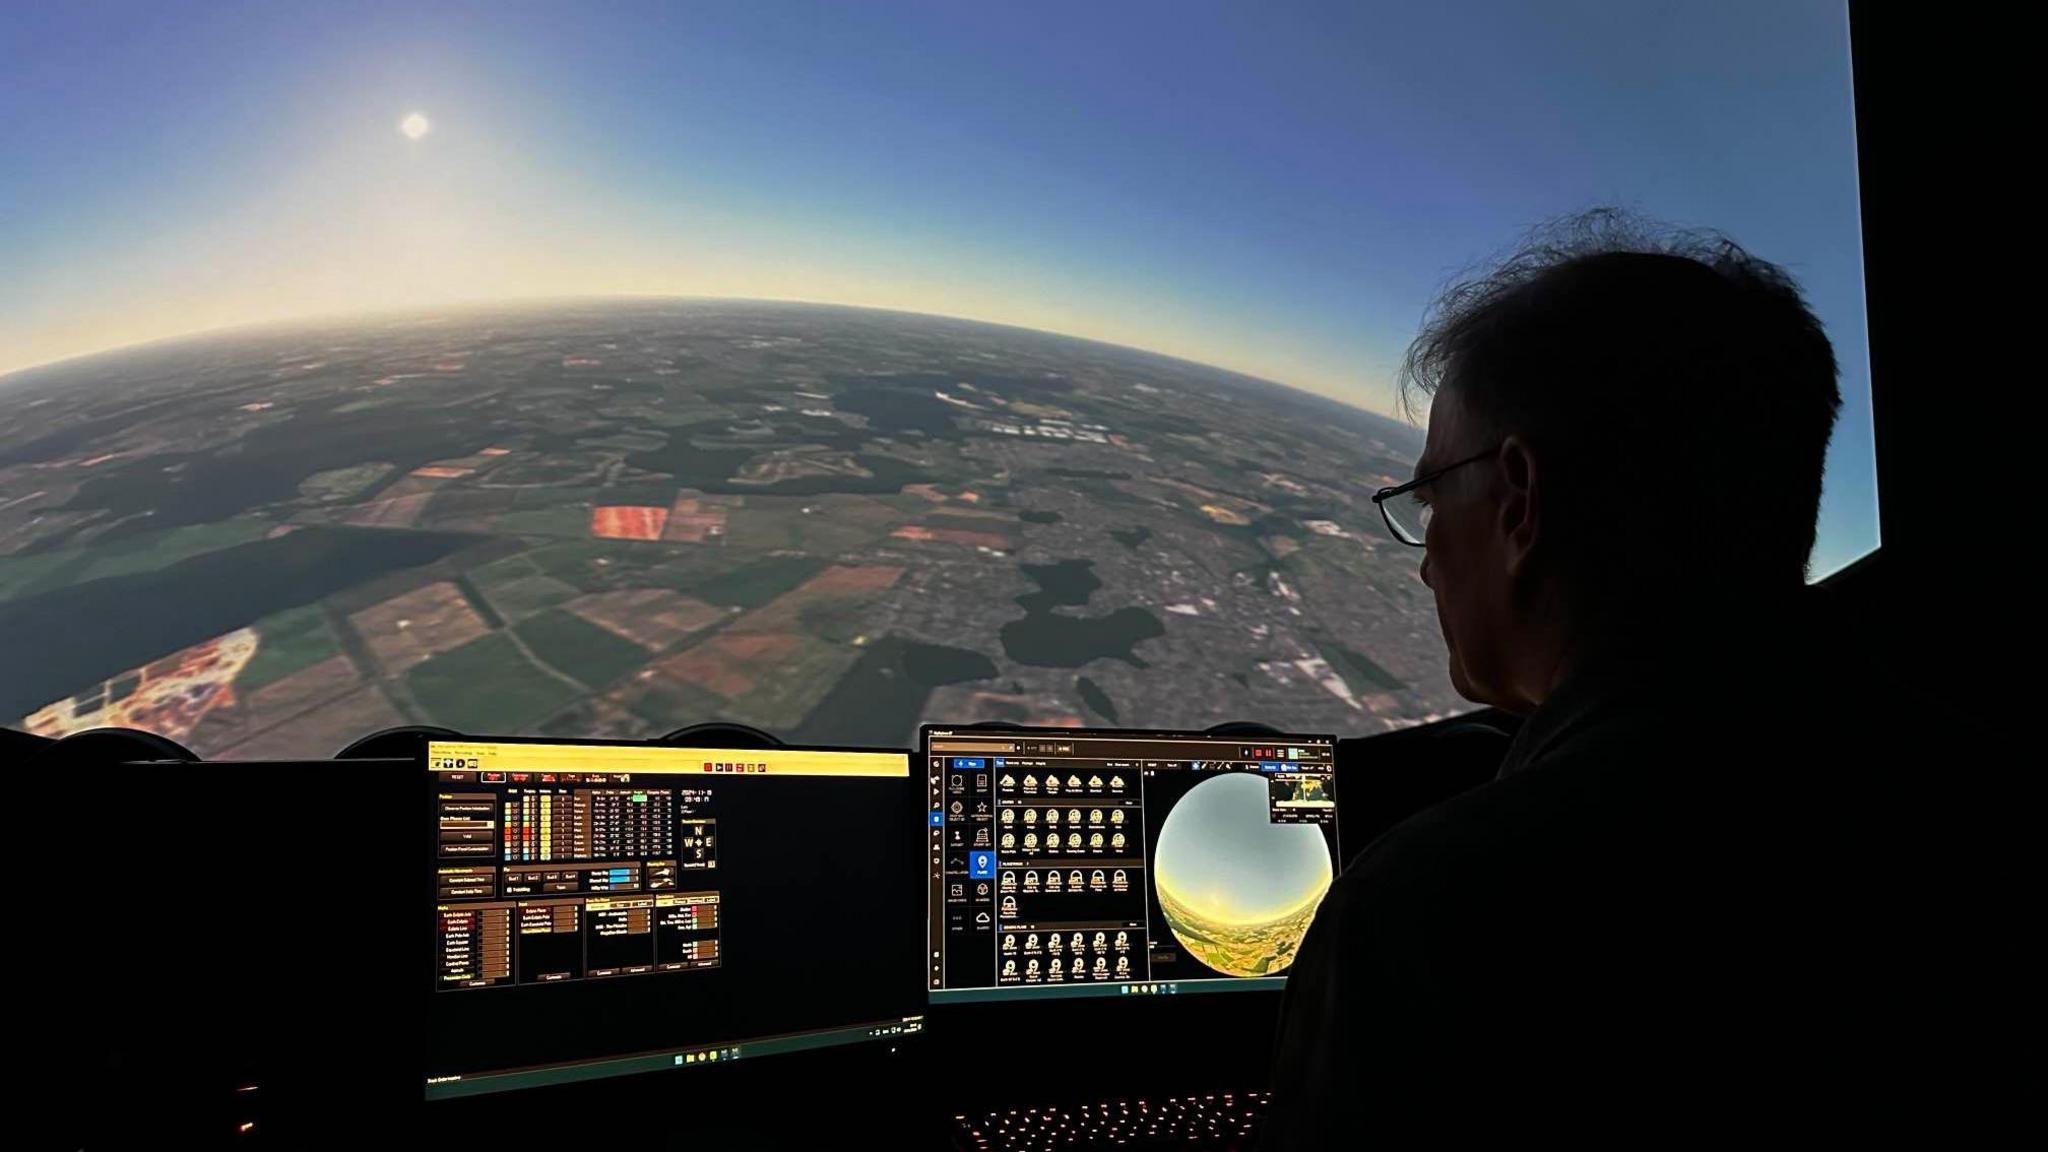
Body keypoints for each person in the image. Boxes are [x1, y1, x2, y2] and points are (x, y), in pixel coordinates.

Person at [1264, 211, 1940, 1141]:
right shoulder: (1949, 784)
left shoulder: (1438, 915)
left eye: (1428, 500)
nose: (1424, 561)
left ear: (1518, 501)